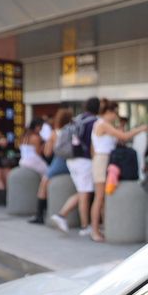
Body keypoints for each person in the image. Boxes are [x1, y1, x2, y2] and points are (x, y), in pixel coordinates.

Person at [90, 100, 148, 241]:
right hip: (102, 161)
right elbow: (124, 137)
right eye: (115, 113)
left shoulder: (101, 124)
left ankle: (103, 228)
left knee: (103, 197)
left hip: (103, 160)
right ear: (108, 112)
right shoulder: (103, 124)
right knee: (99, 197)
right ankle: (94, 231)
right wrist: (140, 129)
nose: (116, 116)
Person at [53, 97, 101, 236]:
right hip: (84, 161)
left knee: (82, 192)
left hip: (71, 159)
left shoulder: (78, 119)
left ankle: (65, 216)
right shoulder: (94, 122)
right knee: (84, 194)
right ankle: (82, 224)